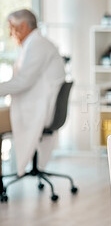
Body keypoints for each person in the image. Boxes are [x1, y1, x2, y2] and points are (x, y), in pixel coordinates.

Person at [0, 9, 65, 176]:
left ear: (22, 26)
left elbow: (23, 81)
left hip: (40, 109)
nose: (9, 33)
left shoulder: (37, 45)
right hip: (39, 105)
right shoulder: (34, 44)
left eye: (11, 27)